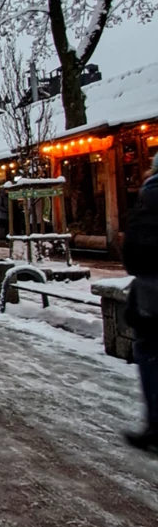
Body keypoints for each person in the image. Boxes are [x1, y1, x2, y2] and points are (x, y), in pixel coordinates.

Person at [122, 153, 158, 451]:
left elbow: (133, 250)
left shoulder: (148, 199)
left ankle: (156, 425)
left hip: (151, 294)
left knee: (151, 353)